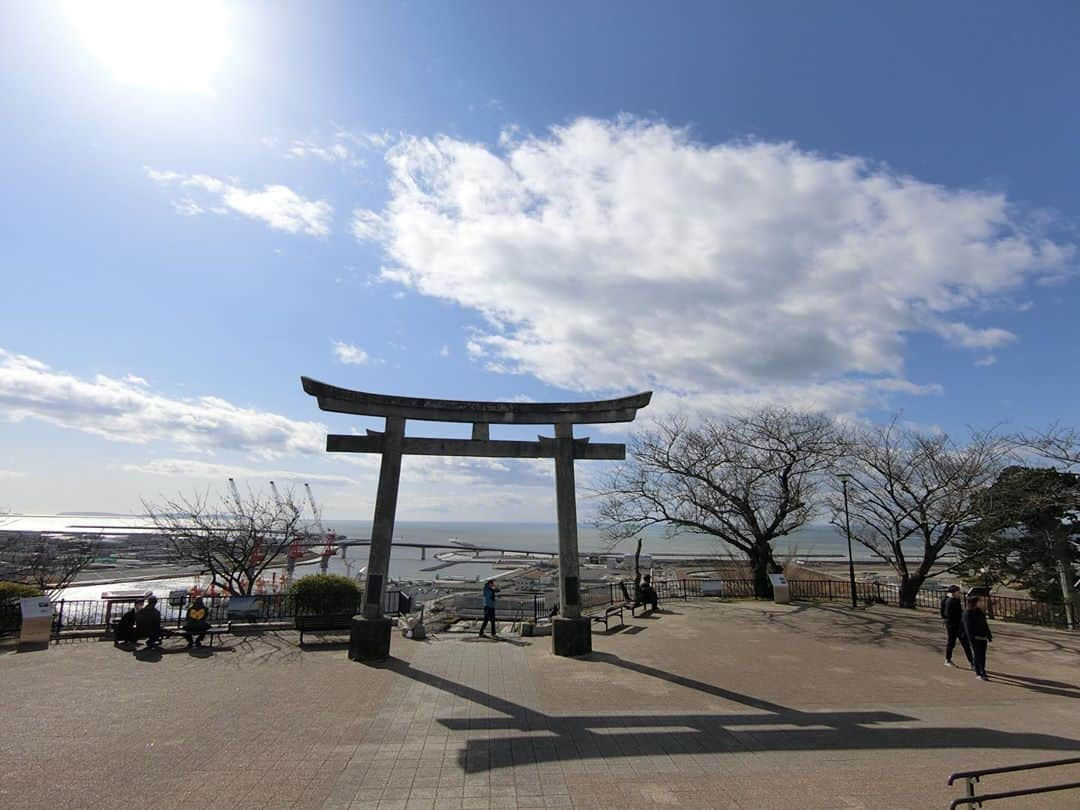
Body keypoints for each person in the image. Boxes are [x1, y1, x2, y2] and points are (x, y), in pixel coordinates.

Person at [940, 585, 973, 668]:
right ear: (954, 593)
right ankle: (948, 660)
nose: (960, 593)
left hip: (956, 625)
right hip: (954, 626)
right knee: (953, 643)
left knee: (964, 644)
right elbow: (951, 614)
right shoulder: (951, 601)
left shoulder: (953, 600)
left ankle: (972, 662)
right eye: (958, 592)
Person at [962, 595, 992, 681]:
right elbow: (968, 628)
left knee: (983, 655)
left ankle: (983, 669)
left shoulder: (979, 611)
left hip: (983, 637)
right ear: (974, 603)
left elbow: (984, 624)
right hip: (975, 638)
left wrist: (988, 634)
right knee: (977, 655)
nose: (981, 603)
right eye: (979, 601)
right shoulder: (967, 613)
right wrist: (971, 638)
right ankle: (978, 673)